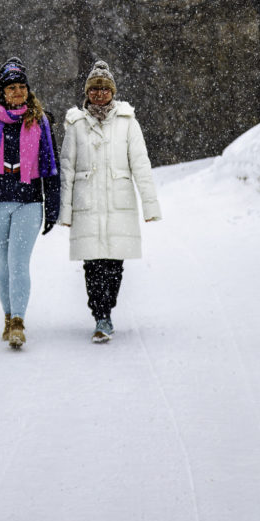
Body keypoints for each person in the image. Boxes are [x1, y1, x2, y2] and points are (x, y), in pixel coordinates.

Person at [58, 59, 161, 342]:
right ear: (87, 92)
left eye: (105, 89)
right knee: (92, 264)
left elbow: (140, 164)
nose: (100, 94)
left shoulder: (128, 123)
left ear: (113, 92)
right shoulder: (77, 125)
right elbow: (67, 169)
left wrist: (150, 206)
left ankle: (108, 310)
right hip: (87, 202)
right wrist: (64, 212)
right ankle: (100, 316)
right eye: (95, 89)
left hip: (119, 202)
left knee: (114, 264)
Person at [0, 58, 60, 348]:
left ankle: (18, 322)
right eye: (12, 88)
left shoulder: (40, 121)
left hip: (29, 201)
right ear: (2, 92)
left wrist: (52, 207)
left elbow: (51, 166)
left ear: (28, 90)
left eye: (22, 87)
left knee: (19, 263)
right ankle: (7, 317)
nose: (18, 92)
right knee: (2, 266)